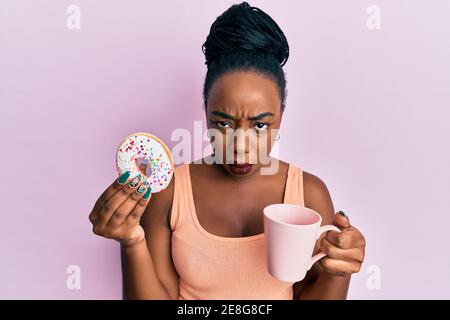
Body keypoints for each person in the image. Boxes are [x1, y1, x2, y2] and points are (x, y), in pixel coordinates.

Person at [89, 1, 366, 300]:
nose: (239, 147)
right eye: (222, 124)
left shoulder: (309, 194)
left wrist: (339, 272)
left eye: (260, 126)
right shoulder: (169, 193)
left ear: (281, 115)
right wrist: (131, 242)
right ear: (205, 111)